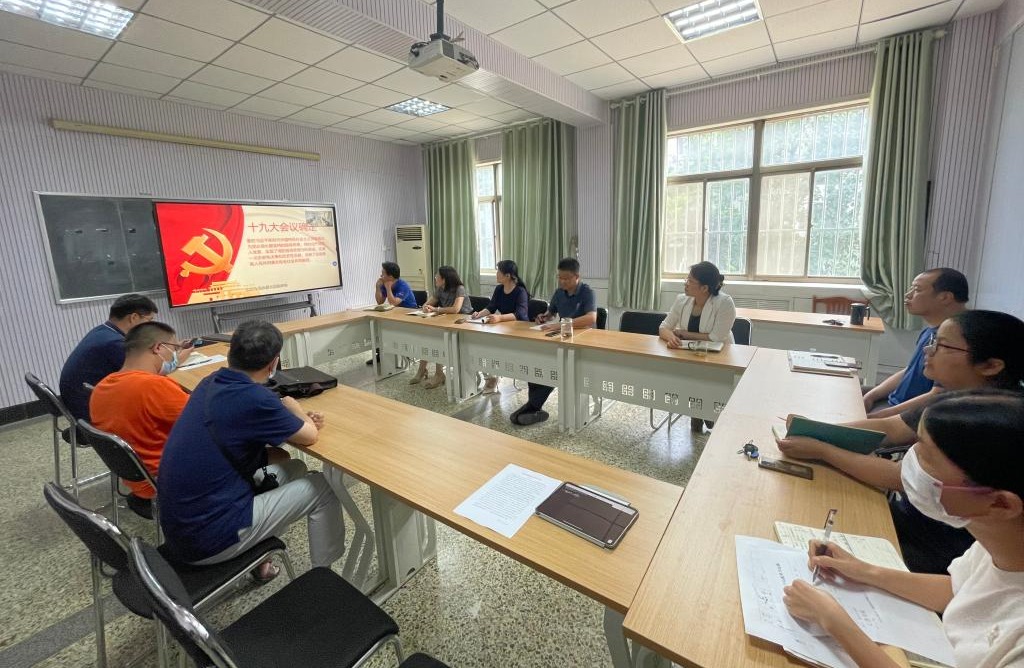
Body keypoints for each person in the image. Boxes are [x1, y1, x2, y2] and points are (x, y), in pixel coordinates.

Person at [782, 390, 1024, 668]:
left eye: (928, 458)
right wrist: (863, 571)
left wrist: (835, 623)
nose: (910, 461)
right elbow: (959, 589)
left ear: (1001, 504)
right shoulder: (999, 544)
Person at [777, 309, 1024, 574]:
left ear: (990, 365)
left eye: (942, 346)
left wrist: (823, 450)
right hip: (909, 518)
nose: (928, 351)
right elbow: (890, 428)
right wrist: (816, 431)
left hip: (933, 548)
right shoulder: (954, 399)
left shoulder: (995, 424)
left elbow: (903, 477)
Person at [159, 321, 345, 576]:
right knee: (322, 486)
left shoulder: (210, 382)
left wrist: (293, 421)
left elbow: (255, 445)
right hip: (209, 539)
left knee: (295, 467)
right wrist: (296, 410)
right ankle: (326, 577)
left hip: (183, 526)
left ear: (230, 354)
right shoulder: (256, 398)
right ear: (273, 363)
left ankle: (258, 557)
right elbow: (310, 436)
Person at [89, 322, 190, 518]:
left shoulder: (101, 387)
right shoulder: (154, 387)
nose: (175, 356)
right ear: (158, 348)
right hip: (168, 482)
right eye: (175, 348)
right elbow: (210, 419)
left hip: (139, 479)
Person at [862, 268, 969, 417]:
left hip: (913, 416)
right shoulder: (930, 331)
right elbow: (910, 370)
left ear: (945, 297)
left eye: (917, 290)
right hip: (894, 404)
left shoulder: (959, 339)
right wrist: (870, 396)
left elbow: (937, 395)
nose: (908, 295)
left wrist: (879, 417)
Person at [510, 258, 597, 426]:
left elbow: (591, 318)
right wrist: (544, 317)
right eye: (559, 277)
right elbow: (551, 313)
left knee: (554, 368)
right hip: (564, 338)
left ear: (577, 277)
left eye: (566, 278)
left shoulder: (587, 292)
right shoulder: (559, 292)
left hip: (584, 341)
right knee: (537, 363)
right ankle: (533, 407)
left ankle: (532, 406)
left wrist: (561, 324)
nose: (562, 281)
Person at [59, 293, 167, 422]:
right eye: (149, 321)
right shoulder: (115, 343)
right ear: (134, 317)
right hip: (91, 411)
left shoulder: (102, 331)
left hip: (80, 403)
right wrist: (175, 357)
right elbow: (150, 374)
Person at [658, 261, 736, 431]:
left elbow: (715, 337)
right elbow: (664, 327)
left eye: (690, 281)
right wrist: (672, 337)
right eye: (686, 279)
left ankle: (707, 413)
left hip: (719, 357)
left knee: (706, 380)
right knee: (690, 378)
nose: (685, 283)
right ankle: (698, 413)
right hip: (691, 355)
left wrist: (684, 334)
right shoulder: (681, 300)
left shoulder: (724, 303)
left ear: (704, 288)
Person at [471, 259, 530, 394]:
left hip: (519, 331)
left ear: (508, 275)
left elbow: (520, 314)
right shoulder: (499, 289)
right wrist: (479, 314)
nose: (496, 274)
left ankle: (494, 377)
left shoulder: (520, 291)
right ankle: (491, 376)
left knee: (494, 348)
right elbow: (491, 306)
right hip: (504, 328)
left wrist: (499, 318)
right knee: (482, 344)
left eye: (498, 271)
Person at [410, 265, 473, 389]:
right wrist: (426, 307)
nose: (435, 277)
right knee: (427, 338)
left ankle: (439, 374)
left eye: (437, 276)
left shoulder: (459, 288)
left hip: (463, 323)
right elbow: (428, 303)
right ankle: (422, 370)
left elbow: (456, 309)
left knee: (437, 339)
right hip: (447, 320)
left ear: (444, 279)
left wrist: (436, 309)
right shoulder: (440, 289)